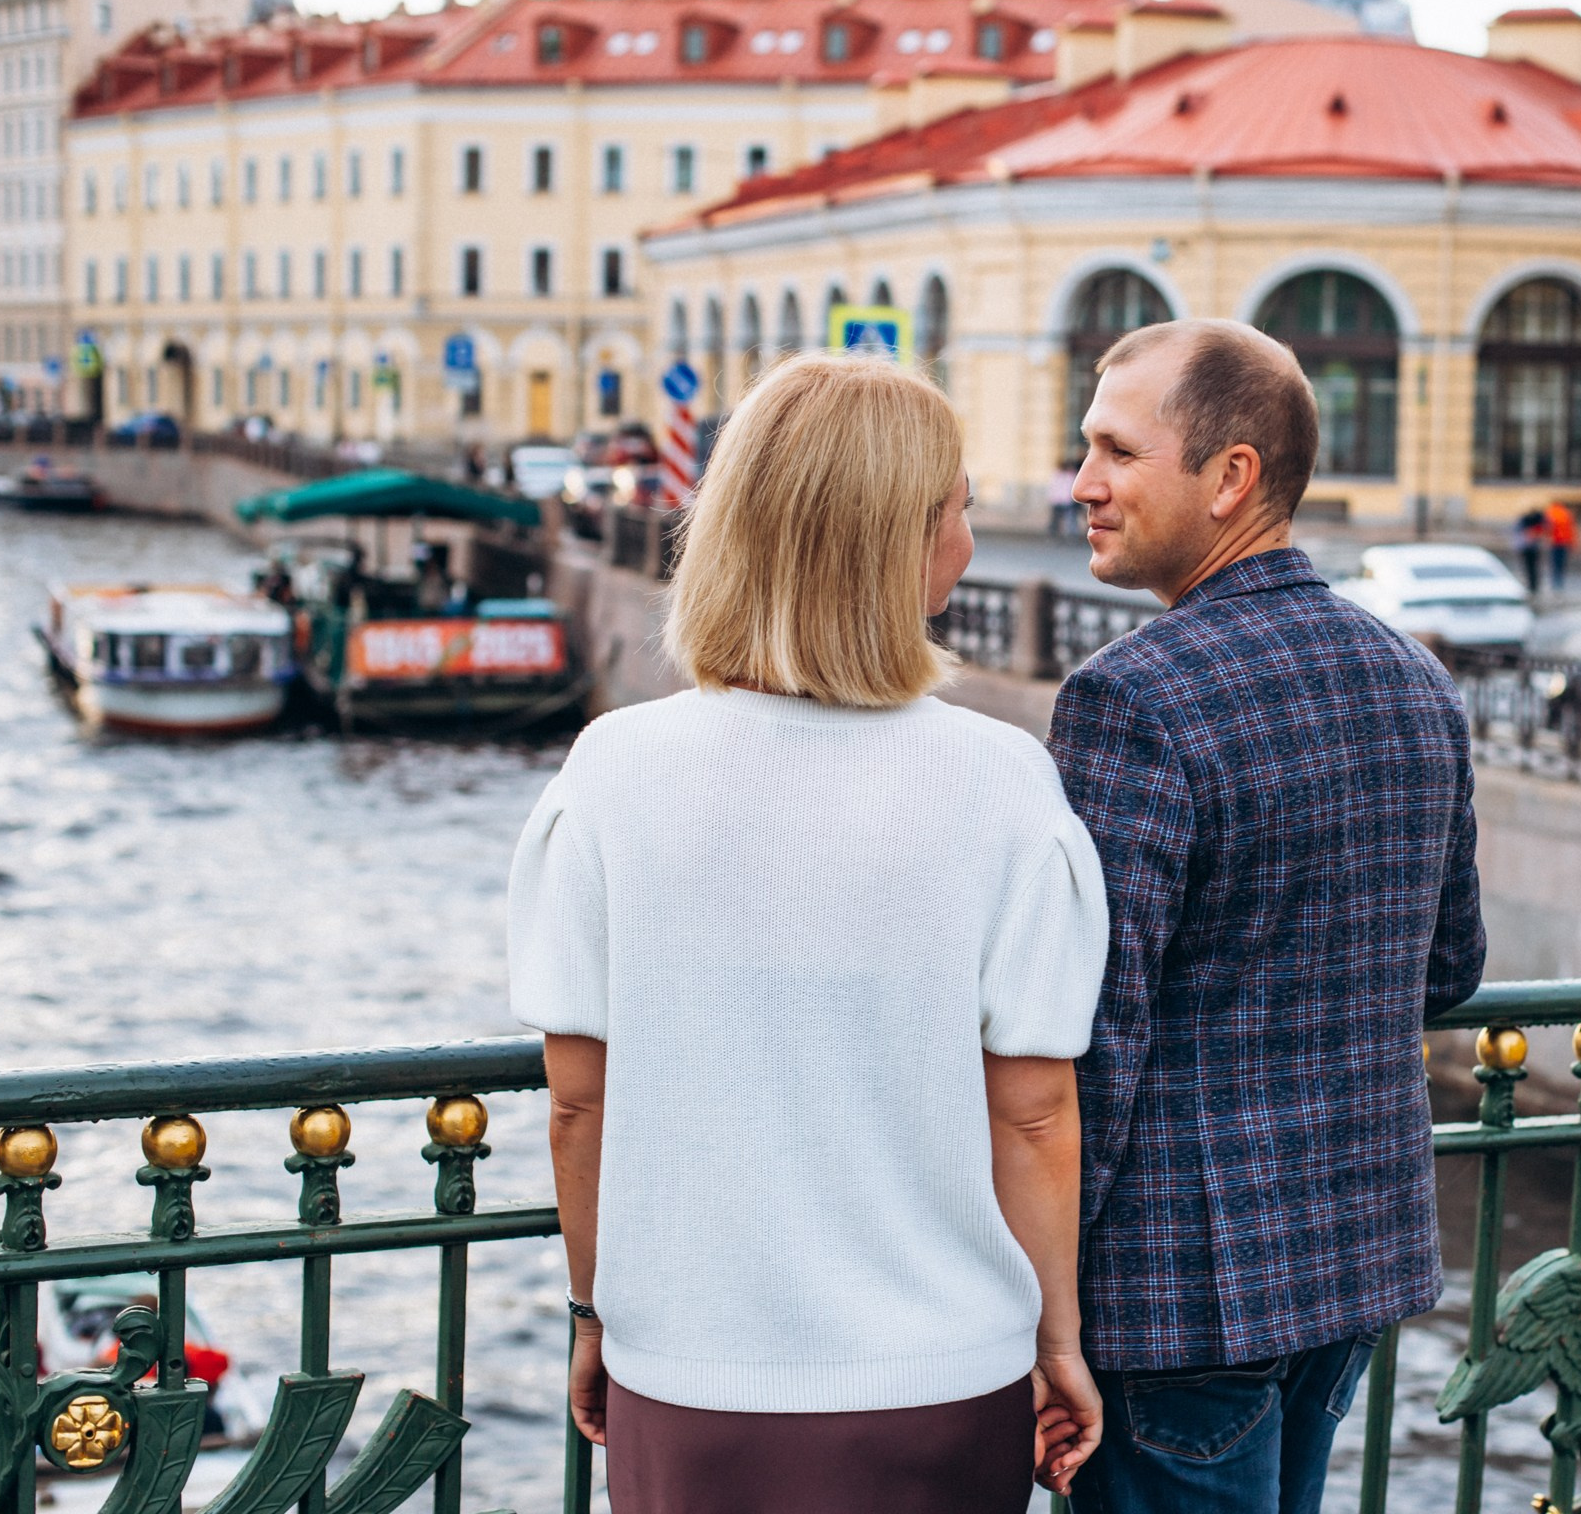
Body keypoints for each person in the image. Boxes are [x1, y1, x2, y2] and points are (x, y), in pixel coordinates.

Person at [510, 353, 1108, 1514]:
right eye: (957, 510)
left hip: (690, 1380)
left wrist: (593, 1315)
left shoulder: (614, 769)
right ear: (897, 544)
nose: (968, 540)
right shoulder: (1002, 782)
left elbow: (579, 1103)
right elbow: (1033, 1114)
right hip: (943, 1383)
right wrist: (1057, 1339)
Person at [1049, 318, 1487, 1514]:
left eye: (1117, 451)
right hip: (1349, 1265)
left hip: (1177, 1300)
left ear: (1231, 476)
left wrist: (1043, 1306)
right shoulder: (1416, 679)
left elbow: (1090, 1036)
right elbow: (1449, 967)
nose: (1081, 483)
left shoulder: (1131, 699)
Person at [1545, 497, 1581, 593]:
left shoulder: (1551, 513)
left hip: (1555, 542)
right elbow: (1571, 530)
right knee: (1561, 563)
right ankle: (1559, 583)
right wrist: (1575, 544)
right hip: (1564, 541)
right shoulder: (1566, 513)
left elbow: (1547, 529)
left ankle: (1555, 583)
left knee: (1555, 563)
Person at [1513, 508, 1547, 594]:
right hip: (1531, 548)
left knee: (1530, 568)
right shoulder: (1535, 524)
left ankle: (1532, 586)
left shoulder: (1525, 522)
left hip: (1527, 548)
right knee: (1533, 568)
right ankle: (1533, 586)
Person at [1048, 462, 1084, 538]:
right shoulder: (1068, 475)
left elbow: (1052, 488)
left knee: (1066, 518)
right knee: (1067, 518)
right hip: (1064, 500)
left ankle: (1067, 534)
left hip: (1061, 500)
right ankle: (1068, 534)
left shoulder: (1060, 475)